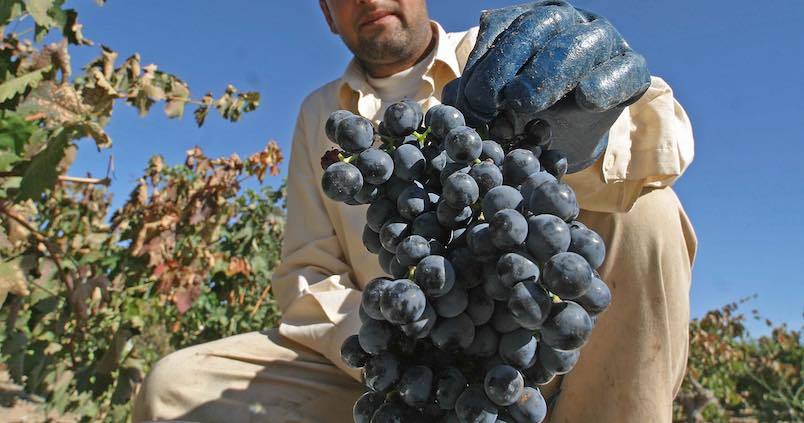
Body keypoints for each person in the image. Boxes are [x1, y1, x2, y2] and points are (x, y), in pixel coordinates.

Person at [132, 1, 697, 422]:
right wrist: (398, 344)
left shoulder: (500, 49)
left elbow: (664, 138)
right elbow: (309, 274)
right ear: (329, 17)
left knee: (649, 213)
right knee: (175, 389)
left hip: (540, 348)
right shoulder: (321, 115)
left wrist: (595, 133)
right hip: (402, 363)